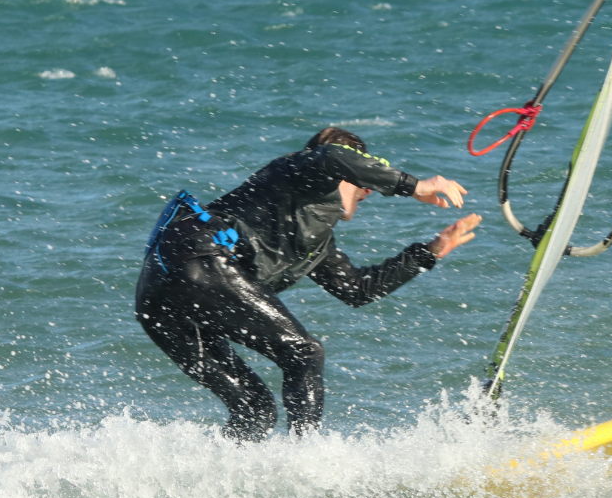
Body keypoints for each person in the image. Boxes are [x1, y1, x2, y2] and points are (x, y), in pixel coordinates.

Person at [135, 126, 481, 441]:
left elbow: (358, 289)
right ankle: (308, 456)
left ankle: (211, 477)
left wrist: (430, 252)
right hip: (197, 258)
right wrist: (415, 186)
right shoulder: (299, 170)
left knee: (255, 410)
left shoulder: (317, 241)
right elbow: (331, 155)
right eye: (365, 180)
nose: (369, 190)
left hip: (161, 300)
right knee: (303, 352)